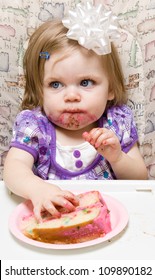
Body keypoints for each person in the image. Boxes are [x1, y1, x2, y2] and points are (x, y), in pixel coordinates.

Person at [4, 2, 148, 221]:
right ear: (40, 92)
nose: (71, 96)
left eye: (86, 82)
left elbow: (140, 179)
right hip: (49, 219)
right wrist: (37, 189)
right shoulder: (35, 125)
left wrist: (117, 157)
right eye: (55, 85)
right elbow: (13, 169)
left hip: (108, 219)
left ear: (110, 88)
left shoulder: (117, 123)